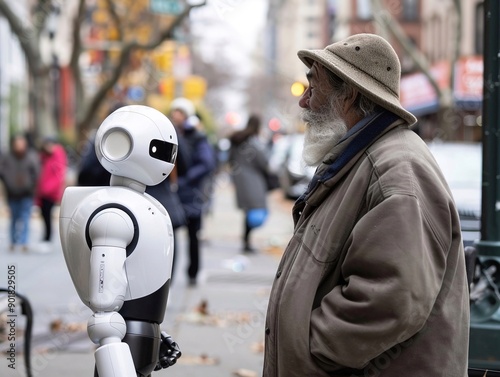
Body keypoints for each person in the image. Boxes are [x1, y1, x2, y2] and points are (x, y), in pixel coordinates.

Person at [263, 34, 469, 377]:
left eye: (314, 86)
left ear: (350, 94)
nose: (304, 102)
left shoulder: (395, 168)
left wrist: (312, 348)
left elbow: (393, 299)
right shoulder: (362, 159)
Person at [170, 97, 217, 286]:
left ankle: (193, 273)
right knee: (169, 236)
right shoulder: (169, 133)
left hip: (191, 194)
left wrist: (186, 180)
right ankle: (168, 276)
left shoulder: (197, 136)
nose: (176, 116)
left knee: (193, 237)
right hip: (174, 194)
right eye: (175, 112)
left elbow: (206, 163)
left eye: (180, 112)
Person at [228, 114, 271, 252]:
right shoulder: (254, 141)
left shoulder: (238, 139)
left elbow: (230, 159)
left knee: (248, 211)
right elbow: (263, 161)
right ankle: (246, 242)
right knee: (256, 208)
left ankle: (246, 242)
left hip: (241, 179)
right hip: (253, 180)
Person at [0, 133, 40, 252]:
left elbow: (36, 173)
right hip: (12, 193)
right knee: (14, 218)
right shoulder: (8, 157)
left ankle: (24, 242)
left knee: (25, 217)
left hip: (26, 193)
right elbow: (3, 173)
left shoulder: (31, 156)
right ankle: (13, 241)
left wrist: (30, 186)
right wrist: (9, 184)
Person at [35, 137, 67, 248]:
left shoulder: (57, 156)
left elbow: (58, 176)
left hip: (50, 192)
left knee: (47, 215)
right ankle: (45, 238)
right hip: (41, 192)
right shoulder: (42, 157)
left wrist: (48, 188)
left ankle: (47, 239)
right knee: (43, 215)